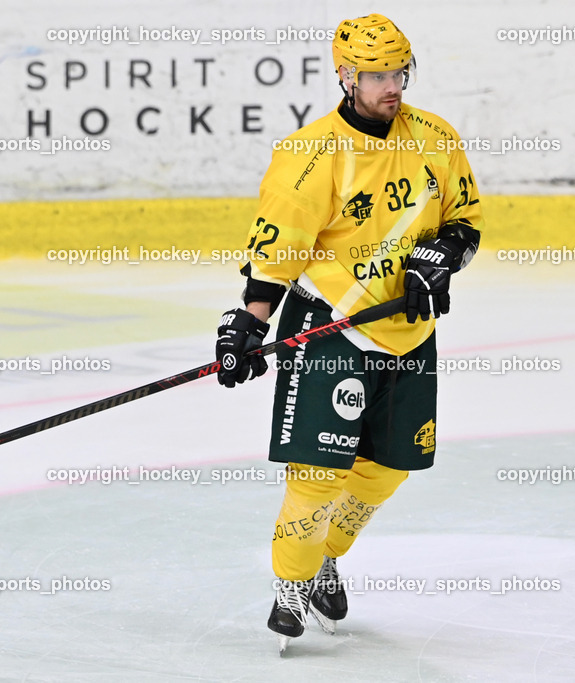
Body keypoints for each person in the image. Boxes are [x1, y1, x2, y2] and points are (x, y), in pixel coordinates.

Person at [215, 13, 484, 653]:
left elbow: (465, 225)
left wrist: (439, 261)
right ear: (346, 76)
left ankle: (326, 554)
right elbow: (276, 253)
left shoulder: (435, 138)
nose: (392, 85)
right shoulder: (310, 157)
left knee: (389, 469)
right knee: (318, 472)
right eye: (377, 74)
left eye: (399, 71)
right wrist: (248, 328)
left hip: (408, 332)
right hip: (330, 328)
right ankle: (291, 584)